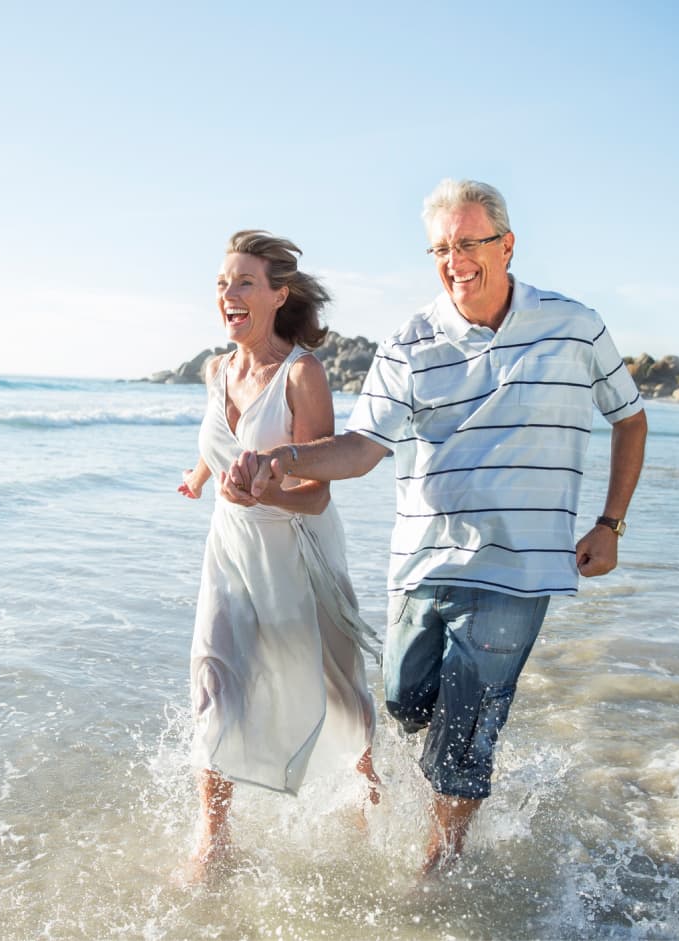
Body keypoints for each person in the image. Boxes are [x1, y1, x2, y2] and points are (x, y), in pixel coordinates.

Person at [227, 180, 649, 878]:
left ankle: (442, 861)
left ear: (506, 245)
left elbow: (629, 417)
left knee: (467, 720)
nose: (455, 259)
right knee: (404, 698)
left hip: (520, 567)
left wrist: (610, 522)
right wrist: (286, 459)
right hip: (425, 562)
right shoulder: (410, 340)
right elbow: (363, 445)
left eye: (469, 243)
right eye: (442, 247)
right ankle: (456, 781)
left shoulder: (574, 325)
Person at [176, 230, 383, 883]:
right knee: (214, 681)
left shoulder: (302, 373)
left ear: (277, 294)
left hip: (299, 552)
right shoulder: (217, 369)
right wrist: (201, 476)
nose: (228, 296)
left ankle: (368, 787)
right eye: (220, 285)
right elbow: (220, 443)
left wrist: (270, 487)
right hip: (231, 557)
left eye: (242, 283)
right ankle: (215, 840)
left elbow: (318, 490)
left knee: (341, 689)